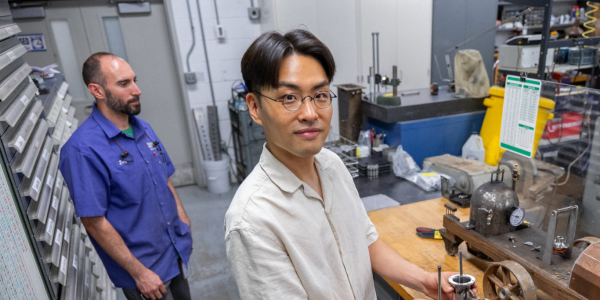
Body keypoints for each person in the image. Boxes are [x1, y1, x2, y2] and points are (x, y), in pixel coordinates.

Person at [224, 30, 477, 299]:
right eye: (289, 97)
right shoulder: (252, 220)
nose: (310, 113)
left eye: (320, 95)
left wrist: (426, 281)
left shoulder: (332, 165)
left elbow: (366, 243)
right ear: (254, 107)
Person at [59, 52, 193, 300]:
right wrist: (140, 274)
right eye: (124, 83)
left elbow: (164, 178)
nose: (137, 90)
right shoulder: (82, 150)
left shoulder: (143, 128)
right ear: (97, 91)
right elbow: (94, 222)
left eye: (134, 80)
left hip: (172, 250)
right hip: (144, 269)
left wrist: (183, 221)